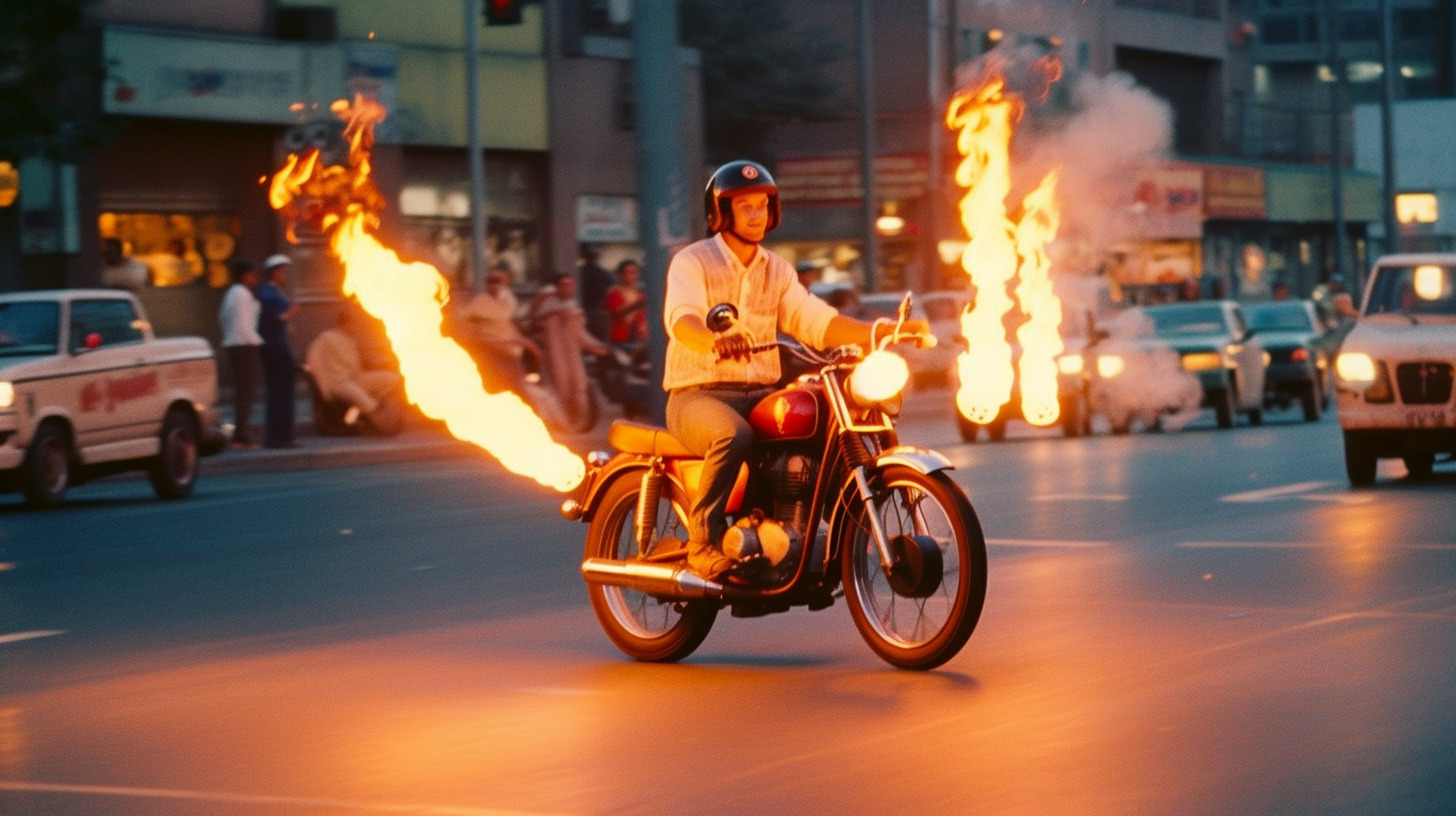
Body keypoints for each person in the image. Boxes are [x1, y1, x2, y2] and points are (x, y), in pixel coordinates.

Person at [662, 160, 928, 579]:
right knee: (733, 435)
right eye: (744, 206)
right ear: (721, 212)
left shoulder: (777, 270)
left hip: (761, 392)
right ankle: (701, 542)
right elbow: (683, 319)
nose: (756, 214)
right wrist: (714, 339)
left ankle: (792, 537)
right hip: (698, 393)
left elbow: (814, 321)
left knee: (818, 428)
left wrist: (884, 330)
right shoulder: (693, 262)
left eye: (762, 205)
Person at [529, 272, 609, 426]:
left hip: (572, 354)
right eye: (564, 285)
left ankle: (579, 421)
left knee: (579, 386)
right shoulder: (548, 304)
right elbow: (536, 322)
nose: (568, 288)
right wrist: (554, 313)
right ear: (557, 287)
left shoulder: (572, 305)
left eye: (570, 285)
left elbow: (580, 333)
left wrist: (595, 347)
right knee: (559, 387)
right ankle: (561, 422)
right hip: (554, 354)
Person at [306, 304, 403, 427]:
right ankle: (378, 422)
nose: (356, 327)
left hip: (355, 378)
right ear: (345, 323)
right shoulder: (326, 338)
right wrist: (324, 389)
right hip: (338, 382)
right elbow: (315, 360)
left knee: (390, 378)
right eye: (353, 324)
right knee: (360, 396)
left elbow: (359, 361)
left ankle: (364, 412)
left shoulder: (351, 339)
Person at [457, 262, 539, 397]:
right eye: (490, 281)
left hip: (512, 352)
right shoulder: (480, 302)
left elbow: (510, 320)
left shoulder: (509, 300)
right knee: (497, 388)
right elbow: (464, 319)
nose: (493, 285)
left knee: (518, 389)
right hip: (493, 352)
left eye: (497, 281)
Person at [218, 257, 264, 449]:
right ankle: (241, 437)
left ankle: (240, 434)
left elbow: (222, 317)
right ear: (245, 276)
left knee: (241, 393)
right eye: (252, 273)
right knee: (246, 393)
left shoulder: (231, 293)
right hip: (244, 348)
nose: (255, 277)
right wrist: (257, 342)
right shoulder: (242, 294)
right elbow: (246, 326)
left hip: (233, 346)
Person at [258, 254, 300, 448]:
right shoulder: (269, 294)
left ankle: (281, 436)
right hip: (276, 348)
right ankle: (280, 437)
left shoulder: (272, 292)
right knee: (281, 394)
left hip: (277, 346)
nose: (284, 275)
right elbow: (276, 319)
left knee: (279, 393)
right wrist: (291, 312)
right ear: (274, 273)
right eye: (281, 271)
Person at [604, 259, 647, 344]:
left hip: (638, 336)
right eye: (628, 272)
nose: (632, 276)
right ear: (621, 274)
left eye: (634, 272)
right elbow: (616, 313)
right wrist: (635, 304)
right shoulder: (613, 292)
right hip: (620, 337)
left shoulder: (639, 293)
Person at [578, 244, 614, 342]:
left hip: (596, 311)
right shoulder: (583, 272)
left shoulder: (583, 272)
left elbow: (610, 291)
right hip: (588, 311)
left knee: (597, 342)